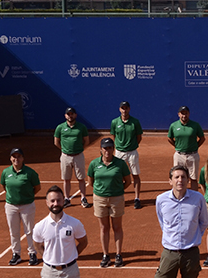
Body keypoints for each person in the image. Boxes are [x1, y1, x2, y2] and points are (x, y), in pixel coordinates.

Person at [147, 166, 208, 278]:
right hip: (169, 254)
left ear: (188, 180)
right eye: (176, 177)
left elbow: (203, 221)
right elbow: (162, 223)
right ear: (170, 180)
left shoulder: (198, 199)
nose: (180, 180)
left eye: (183, 177)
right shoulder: (161, 200)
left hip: (191, 253)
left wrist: (194, 238)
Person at [87, 137, 132, 268]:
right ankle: (106, 255)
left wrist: (117, 191)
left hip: (116, 199)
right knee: (104, 228)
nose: (108, 151)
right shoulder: (94, 164)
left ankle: (118, 255)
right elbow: (91, 182)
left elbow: (128, 181)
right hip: (99, 199)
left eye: (110, 148)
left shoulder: (121, 163)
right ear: (101, 150)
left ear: (113, 149)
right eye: (105, 148)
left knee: (117, 227)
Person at [0, 148, 41, 267]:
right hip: (11, 206)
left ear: (23, 158)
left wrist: (27, 197)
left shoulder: (30, 172)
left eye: (18, 156)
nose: (16, 159)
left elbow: (37, 187)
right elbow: (4, 186)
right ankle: (16, 254)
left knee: (29, 230)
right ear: (10, 158)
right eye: (14, 156)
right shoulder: (5, 172)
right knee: (14, 231)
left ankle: (32, 253)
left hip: (27, 205)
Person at [54, 107, 91, 209]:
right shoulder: (60, 127)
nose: (70, 116)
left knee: (81, 178)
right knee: (66, 179)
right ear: (65, 116)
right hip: (65, 157)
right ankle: (67, 199)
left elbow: (86, 141)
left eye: (72, 114)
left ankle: (83, 198)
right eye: (68, 114)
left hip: (78, 156)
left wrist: (80, 149)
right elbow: (56, 142)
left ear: (75, 115)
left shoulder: (81, 127)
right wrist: (65, 150)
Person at [111, 101, 144, 209]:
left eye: (126, 108)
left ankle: (137, 198)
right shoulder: (115, 122)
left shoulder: (135, 122)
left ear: (129, 109)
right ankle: (119, 197)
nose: (124, 110)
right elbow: (113, 136)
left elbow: (139, 137)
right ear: (120, 109)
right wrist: (119, 147)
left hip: (132, 152)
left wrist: (132, 146)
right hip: (119, 152)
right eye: (122, 108)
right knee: (118, 176)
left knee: (135, 175)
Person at [168, 105, 205, 192]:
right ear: (178, 114)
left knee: (193, 178)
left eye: (186, 113)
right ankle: (177, 197)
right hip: (179, 155)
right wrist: (177, 147)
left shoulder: (195, 125)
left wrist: (195, 147)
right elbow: (169, 138)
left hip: (193, 155)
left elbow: (202, 138)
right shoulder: (173, 125)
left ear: (189, 114)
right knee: (177, 177)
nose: (184, 116)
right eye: (182, 113)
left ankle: (194, 199)